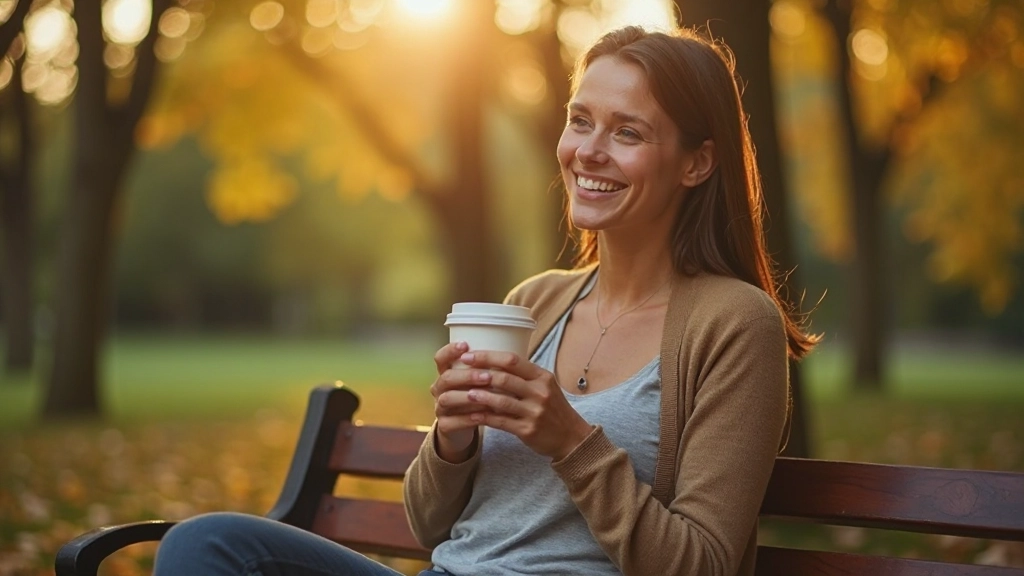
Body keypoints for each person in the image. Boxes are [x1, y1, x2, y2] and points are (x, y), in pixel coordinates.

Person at [152, 24, 817, 576]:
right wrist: (452, 437)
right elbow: (429, 524)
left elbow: (701, 565)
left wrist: (570, 440)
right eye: (580, 120)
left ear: (696, 163)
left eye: (628, 133)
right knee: (204, 547)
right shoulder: (537, 302)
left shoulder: (734, 325)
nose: (588, 151)